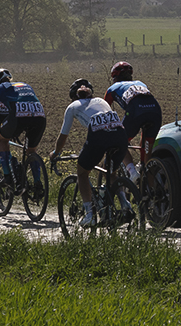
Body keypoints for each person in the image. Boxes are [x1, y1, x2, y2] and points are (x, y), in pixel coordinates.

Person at [50, 78, 129, 227]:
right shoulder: (101, 101)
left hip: (99, 136)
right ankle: (125, 204)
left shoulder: (72, 106)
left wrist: (55, 153)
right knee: (111, 172)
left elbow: (63, 137)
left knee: (82, 172)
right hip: (120, 134)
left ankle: (90, 215)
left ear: (74, 97)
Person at [0, 69, 46, 192]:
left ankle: (7, 176)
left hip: (19, 116)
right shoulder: (24, 85)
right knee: (31, 151)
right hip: (40, 116)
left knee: (2, 140)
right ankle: (37, 184)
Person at [104, 61, 162, 183]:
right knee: (147, 151)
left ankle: (132, 172)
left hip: (136, 110)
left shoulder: (111, 89)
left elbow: (104, 110)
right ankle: (148, 188)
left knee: (119, 142)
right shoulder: (140, 83)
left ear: (114, 77)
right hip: (155, 111)